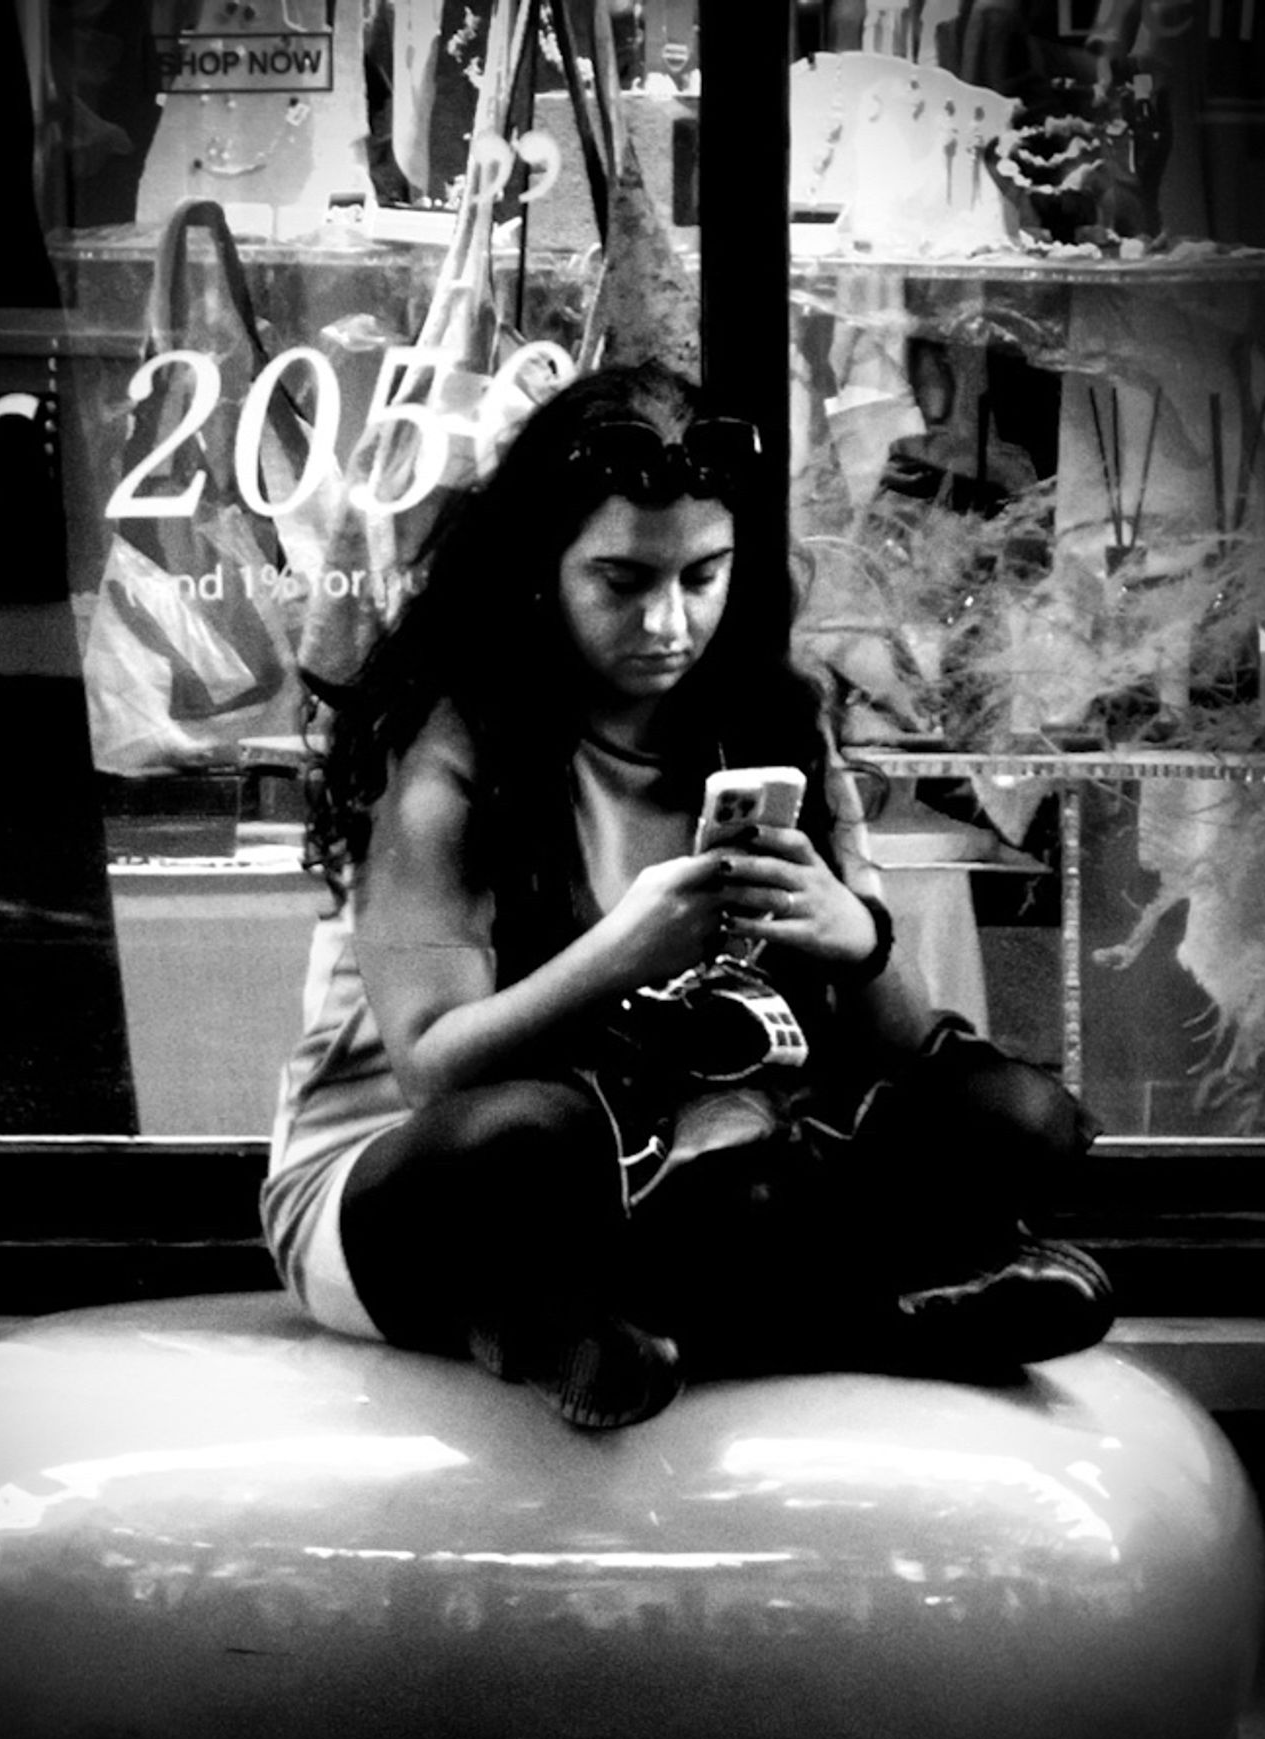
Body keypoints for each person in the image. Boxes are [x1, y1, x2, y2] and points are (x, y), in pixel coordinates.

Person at [262, 359, 1112, 1429]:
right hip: (429, 1188)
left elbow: (917, 1043)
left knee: (1015, 1114)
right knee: (535, 1138)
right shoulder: (448, 748)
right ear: (543, 571)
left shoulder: (770, 730)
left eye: (701, 577)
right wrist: (625, 948)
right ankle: (872, 1319)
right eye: (622, 583)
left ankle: (604, 1327)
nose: (668, 621)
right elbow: (434, 1069)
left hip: (682, 1169)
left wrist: (858, 941)